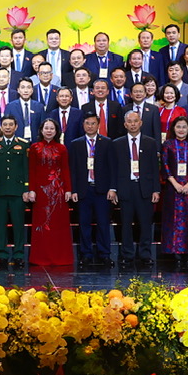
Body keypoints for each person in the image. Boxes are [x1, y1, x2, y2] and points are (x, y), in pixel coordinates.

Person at [113, 110, 160, 269]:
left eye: (135, 121)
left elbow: (155, 168)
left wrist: (156, 190)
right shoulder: (117, 143)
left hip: (145, 188)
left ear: (141, 123)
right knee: (126, 224)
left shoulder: (150, 142)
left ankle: (145, 255)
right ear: (125, 124)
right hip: (125, 188)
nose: (133, 124)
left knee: (145, 223)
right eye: (129, 121)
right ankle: (127, 255)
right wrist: (114, 189)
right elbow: (113, 168)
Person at [68, 114, 113, 267]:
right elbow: (73, 169)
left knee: (103, 223)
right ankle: (86, 254)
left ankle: (104, 254)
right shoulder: (76, 144)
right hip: (83, 190)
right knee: (84, 224)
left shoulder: (107, 142)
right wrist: (74, 190)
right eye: (87, 123)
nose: (90, 126)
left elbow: (112, 167)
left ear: (98, 125)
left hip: (102, 190)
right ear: (83, 125)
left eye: (93, 123)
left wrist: (112, 188)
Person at [0, 115, 33, 268]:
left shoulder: (24, 144)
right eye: (5, 125)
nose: (8, 127)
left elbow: (27, 168)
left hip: (18, 190)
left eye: (10, 125)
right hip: (0, 190)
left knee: (18, 224)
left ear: (16, 127)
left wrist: (26, 189)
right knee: (1, 225)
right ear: (1, 127)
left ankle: (19, 254)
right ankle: (1, 255)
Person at [28, 118, 73, 266]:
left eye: (52, 128)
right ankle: (41, 257)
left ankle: (60, 257)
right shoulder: (34, 148)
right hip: (40, 192)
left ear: (56, 131)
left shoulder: (62, 148)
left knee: (58, 225)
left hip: (58, 192)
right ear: (41, 130)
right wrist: (31, 190)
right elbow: (32, 170)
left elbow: (65, 169)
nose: (49, 131)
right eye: (46, 128)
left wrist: (68, 190)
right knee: (42, 223)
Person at [160, 115, 188, 269]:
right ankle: (176, 254)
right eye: (178, 127)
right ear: (173, 128)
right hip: (173, 188)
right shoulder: (167, 144)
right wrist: (175, 184)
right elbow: (165, 165)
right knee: (174, 219)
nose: (181, 130)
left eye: (184, 127)